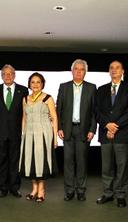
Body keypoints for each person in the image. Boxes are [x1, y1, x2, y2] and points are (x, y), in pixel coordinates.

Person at [95, 60, 128, 208]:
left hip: (123, 134)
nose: (114, 70)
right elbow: (97, 111)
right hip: (105, 134)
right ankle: (107, 193)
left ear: (122, 71)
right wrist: (107, 125)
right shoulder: (101, 89)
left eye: (117, 67)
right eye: (111, 67)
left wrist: (115, 127)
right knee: (106, 167)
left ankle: (120, 194)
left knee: (122, 166)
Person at [56, 59, 97, 201]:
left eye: (82, 69)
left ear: (85, 72)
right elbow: (58, 110)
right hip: (67, 130)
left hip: (83, 130)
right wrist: (59, 128)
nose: (79, 72)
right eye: (76, 69)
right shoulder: (64, 87)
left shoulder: (92, 88)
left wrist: (92, 129)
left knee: (82, 162)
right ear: (72, 71)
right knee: (68, 162)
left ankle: (81, 191)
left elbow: (94, 112)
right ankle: (69, 191)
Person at [0, 64, 29, 198]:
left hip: (17, 132)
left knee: (15, 161)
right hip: (0, 132)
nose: (8, 76)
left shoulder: (23, 90)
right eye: (5, 74)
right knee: (1, 161)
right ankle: (3, 188)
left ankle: (14, 188)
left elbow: (26, 112)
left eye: (10, 73)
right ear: (1, 76)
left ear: (14, 75)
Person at [19, 73, 58, 202]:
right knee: (31, 163)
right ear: (29, 84)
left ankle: (41, 190)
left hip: (43, 134)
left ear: (42, 84)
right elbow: (24, 118)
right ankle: (34, 189)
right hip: (29, 134)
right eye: (33, 82)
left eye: (38, 82)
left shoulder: (48, 98)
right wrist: (23, 134)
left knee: (41, 163)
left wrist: (56, 138)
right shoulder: (25, 99)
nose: (35, 84)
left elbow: (54, 118)